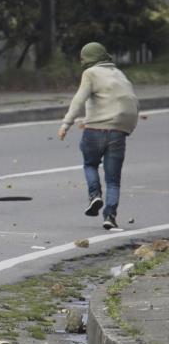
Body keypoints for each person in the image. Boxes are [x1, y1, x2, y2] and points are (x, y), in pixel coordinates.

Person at [58, 42, 139, 230]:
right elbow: (132, 101)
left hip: (95, 130)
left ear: (88, 58)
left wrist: (66, 124)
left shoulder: (91, 73)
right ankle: (110, 216)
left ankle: (95, 196)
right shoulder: (120, 74)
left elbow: (79, 100)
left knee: (90, 164)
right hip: (119, 131)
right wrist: (128, 127)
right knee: (113, 178)